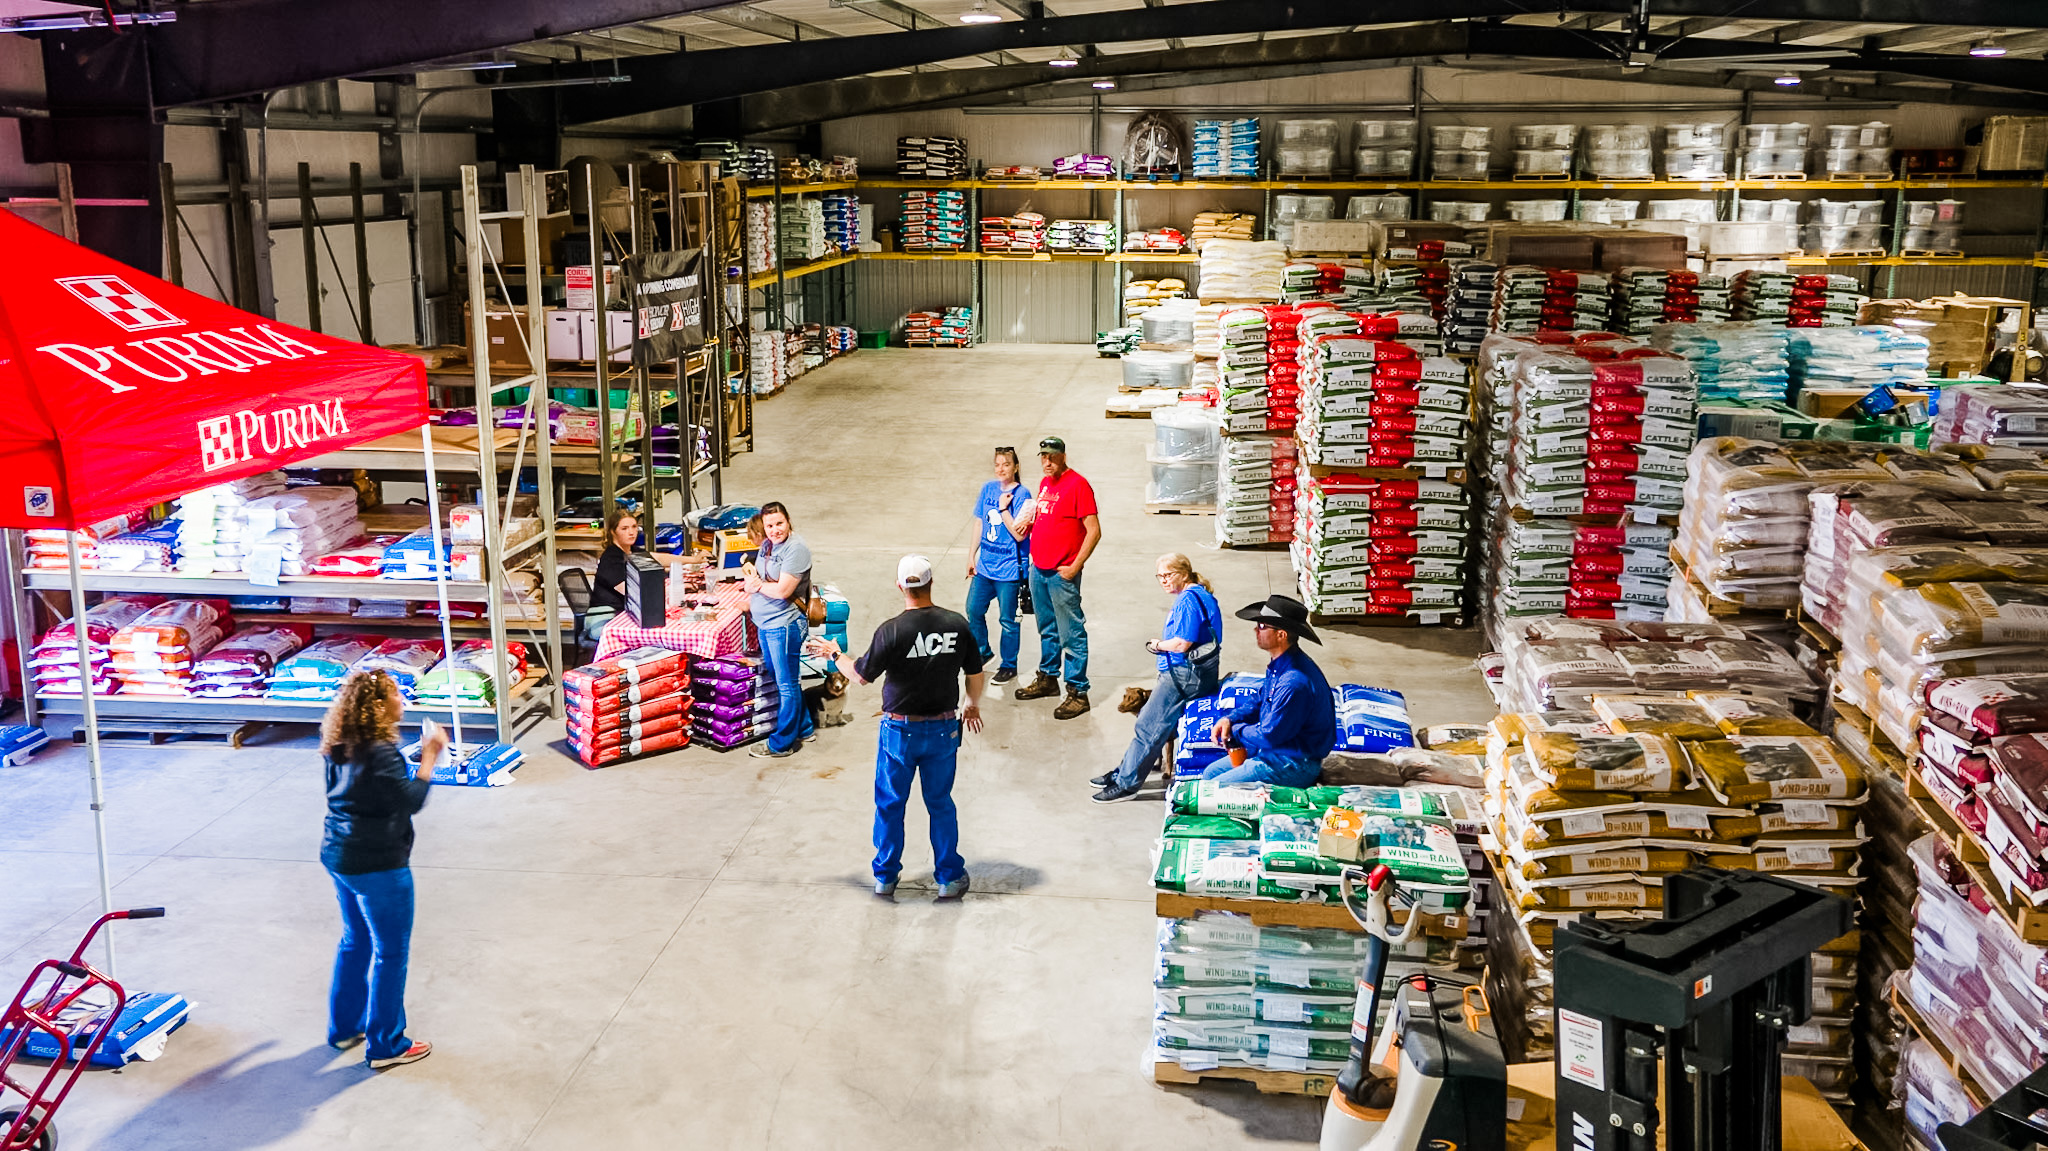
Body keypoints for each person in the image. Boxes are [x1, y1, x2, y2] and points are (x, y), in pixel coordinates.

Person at [808, 555, 985, 900]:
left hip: (899, 734)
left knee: (890, 804)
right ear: (931, 583)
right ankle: (949, 877)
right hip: (944, 731)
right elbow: (975, 673)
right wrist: (972, 705)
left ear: (900, 586)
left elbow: (858, 675)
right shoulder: (957, 624)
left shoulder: (891, 630)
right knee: (940, 803)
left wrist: (833, 653)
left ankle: (886, 877)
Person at [320, 670, 447, 1069]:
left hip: (340, 856)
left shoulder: (340, 743)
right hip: (379, 865)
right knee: (391, 953)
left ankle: (345, 1029)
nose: (402, 698)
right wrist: (429, 756)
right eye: (395, 693)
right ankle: (387, 1044)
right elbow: (411, 799)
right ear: (378, 706)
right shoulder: (382, 752)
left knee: (354, 940)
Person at [1091, 554, 1223, 803]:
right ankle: (1126, 769)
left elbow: (1183, 643)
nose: (1163, 580)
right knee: (1162, 728)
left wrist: (1158, 645)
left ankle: (1126, 784)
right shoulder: (1204, 595)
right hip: (1201, 672)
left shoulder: (1187, 601)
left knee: (1148, 726)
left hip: (1181, 674)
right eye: (1159, 576)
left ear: (1184, 574)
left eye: (1168, 574)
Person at [1203, 595, 1337, 788]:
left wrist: (1236, 731)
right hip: (1275, 751)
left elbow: (1269, 735)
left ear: (1281, 635)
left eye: (1263, 626)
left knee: (1212, 789)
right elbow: (1260, 699)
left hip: (1292, 763)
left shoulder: (1294, 682)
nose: (1256, 630)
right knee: (1210, 774)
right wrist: (1230, 719)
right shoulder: (1281, 666)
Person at [1012, 435, 1100, 720]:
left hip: (1062, 574)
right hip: (1040, 569)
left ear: (1063, 456)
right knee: (1046, 628)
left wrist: (1074, 567)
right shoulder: (1045, 483)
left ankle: (1078, 692)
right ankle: (1048, 678)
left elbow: (1094, 530)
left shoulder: (1078, 485)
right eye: (1042, 456)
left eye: (1051, 456)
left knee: (1071, 633)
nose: (1046, 462)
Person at [746, 501, 815, 758]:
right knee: (783, 679)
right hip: (767, 623)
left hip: (784, 625)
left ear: (788, 521)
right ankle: (805, 727)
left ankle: (781, 743)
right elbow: (761, 577)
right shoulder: (767, 545)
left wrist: (756, 587)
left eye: (779, 524)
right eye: (770, 525)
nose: (775, 530)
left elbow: (783, 591)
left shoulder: (796, 549)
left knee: (786, 684)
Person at [964, 446, 1036, 685]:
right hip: (985, 567)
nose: (1001, 469)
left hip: (1009, 571)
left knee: (1008, 621)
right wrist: (971, 556)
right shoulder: (987, 489)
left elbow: (1019, 535)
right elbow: (979, 523)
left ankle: (1009, 665)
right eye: (997, 464)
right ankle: (983, 651)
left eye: (1006, 464)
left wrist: (1004, 508)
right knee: (974, 610)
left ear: (1015, 467)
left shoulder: (1023, 495)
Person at [587, 508, 685, 646]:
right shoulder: (611, 560)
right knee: (655, 634)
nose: (631, 532)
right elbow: (631, 592)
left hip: (626, 610)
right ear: (613, 532)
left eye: (634, 527)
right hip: (605, 616)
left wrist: (695, 560)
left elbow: (656, 558)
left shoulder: (631, 552)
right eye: (624, 528)